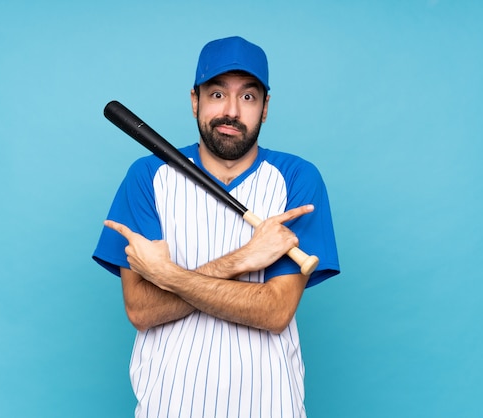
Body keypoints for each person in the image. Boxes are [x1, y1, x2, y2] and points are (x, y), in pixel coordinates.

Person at [93, 35, 340, 418]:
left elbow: (275, 311)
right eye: (217, 94)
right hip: (168, 407)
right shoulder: (148, 177)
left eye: (248, 97)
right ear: (195, 100)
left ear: (265, 107)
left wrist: (169, 277)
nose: (232, 112)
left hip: (271, 407)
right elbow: (141, 309)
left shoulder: (297, 179)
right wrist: (241, 260)